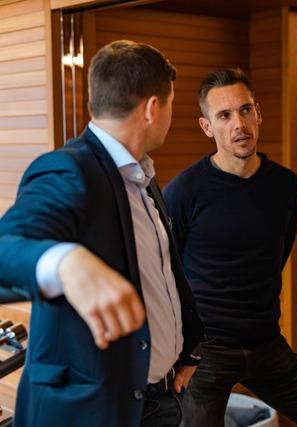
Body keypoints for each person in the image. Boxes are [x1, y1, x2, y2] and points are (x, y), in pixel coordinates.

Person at [0, 40, 205, 427]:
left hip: (159, 399)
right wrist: (65, 262)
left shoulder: (142, 176)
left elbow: (160, 277)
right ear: (152, 108)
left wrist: (185, 349)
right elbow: (5, 247)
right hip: (92, 413)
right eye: (172, 103)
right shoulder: (67, 170)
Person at [163, 68, 297, 427]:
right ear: (206, 126)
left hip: (266, 342)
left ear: (258, 113)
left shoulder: (286, 186)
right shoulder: (183, 191)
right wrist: (180, 355)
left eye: (245, 110)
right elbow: (165, 273)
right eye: (224, 115)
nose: (238, 124)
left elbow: (277, 254)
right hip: (205, 352)